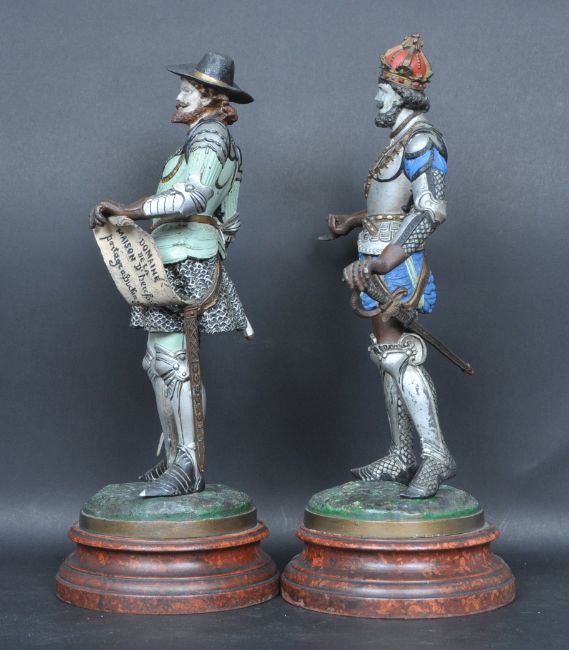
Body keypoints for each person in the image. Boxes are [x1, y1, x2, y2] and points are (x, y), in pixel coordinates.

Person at [89, 52, 253, 497]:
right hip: (176, 257)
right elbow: (231, 220)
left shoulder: (211, 137)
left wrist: (130, 210)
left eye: (186, 91)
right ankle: (175, 458)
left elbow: (192, 199)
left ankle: (188, 465)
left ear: (209, 98)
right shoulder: (203, 139)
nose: (178, 98)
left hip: (186, 258)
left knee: (173, 363)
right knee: (159, 361)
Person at [323, 35, 454, 498]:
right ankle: (401, 454)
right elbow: (391, 209)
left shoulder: (421, 140)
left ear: (401, 93)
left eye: (382, 90)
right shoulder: (400, 139)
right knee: (386, 355)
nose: (377, 98)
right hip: (377, 260)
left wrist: (384, 260)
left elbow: (430, 210)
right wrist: (354, 221)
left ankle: (435, 456)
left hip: (396, 266)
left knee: (398, 355)